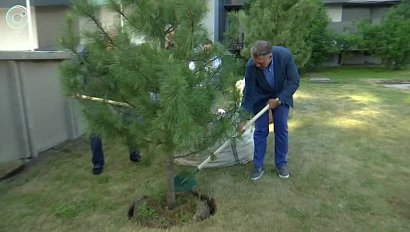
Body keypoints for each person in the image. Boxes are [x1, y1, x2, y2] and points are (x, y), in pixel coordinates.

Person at [240, 40, 300, 180]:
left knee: (281, 129)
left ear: (270, 57)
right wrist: (242, 117)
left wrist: (279, 100)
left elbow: (294, 81)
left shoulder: (284, 56)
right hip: (260, 97)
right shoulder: (251, 66)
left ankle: (281, 163)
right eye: (255, 61)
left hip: (281, 94)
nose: (257, 65)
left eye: (260, 63)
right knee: (260, 131)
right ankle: (258, 166)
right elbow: (249, 94)